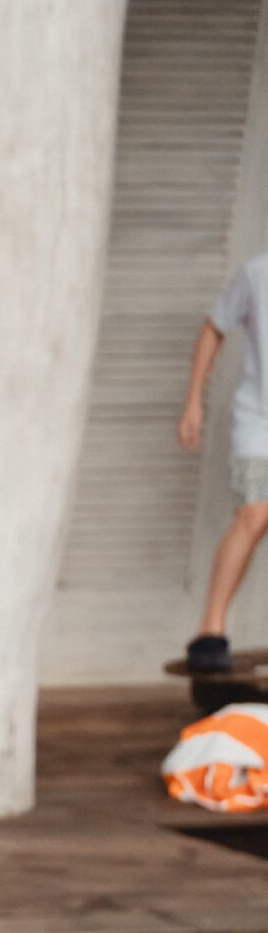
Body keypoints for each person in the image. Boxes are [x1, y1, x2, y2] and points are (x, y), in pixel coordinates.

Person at [181, 249, 268, 674]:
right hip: (259, 422)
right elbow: (213, 328)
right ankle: (209, 630)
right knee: (254, 515)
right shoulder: (258, 272)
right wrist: (194, 402)